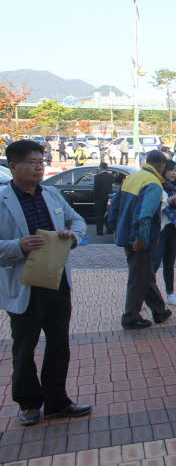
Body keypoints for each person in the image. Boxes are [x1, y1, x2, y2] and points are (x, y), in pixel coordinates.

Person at [0, 140, 92, 426]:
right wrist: (19, 245)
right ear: (13, 166)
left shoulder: (52, 194)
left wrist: (71, 236)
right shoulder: (2, 200)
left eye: (42, 161)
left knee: (59, 344)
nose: (40, 166)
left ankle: (57, 401)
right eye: (33, 162)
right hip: (25, 283)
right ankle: (28, 404)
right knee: (24, 346)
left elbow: (78, 222)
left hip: (56, 281)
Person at [107, 150, 172, 329]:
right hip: (139, 239)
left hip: (125, 234)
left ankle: (159, 310)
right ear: (161, 165)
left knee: (144, 273)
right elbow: (145, 215)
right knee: (138, 277)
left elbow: (114, 206)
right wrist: (141, 238)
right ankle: (130, 317)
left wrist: (114, 227)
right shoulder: (153, 184)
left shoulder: (132, 178)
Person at [151, 160, 176, 307]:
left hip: (173, 229)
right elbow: (155, 208)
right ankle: (144, 294)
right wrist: (172, 199)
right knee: (154, 264)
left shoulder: (174, 189)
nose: (174, 173)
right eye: (171, 170)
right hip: (160, 230)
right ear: (163, 171)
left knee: (169, 264)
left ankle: (170, 294)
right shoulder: (157, 188)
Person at [92, 163, 116, 236]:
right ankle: (109, 229)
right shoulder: (111, 176)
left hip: (99, 198)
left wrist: (94, 198)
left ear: (101, 168)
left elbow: (95, 189)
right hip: (109, 197)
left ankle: (100, 231)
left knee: (99, 215)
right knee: (109, 214)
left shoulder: (97, 177)